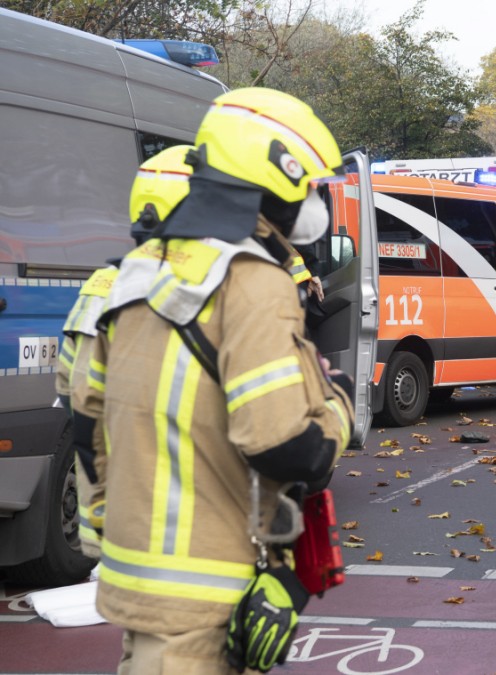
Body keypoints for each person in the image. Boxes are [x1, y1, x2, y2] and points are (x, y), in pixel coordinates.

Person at [72, 87, 355, 674]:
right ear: (273, 177)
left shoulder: (134, 272)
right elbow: (283, 447)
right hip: (206, 596)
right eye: (305, 185)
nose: (311, 201)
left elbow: (88, 423)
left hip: (140, 580)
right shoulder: (252, 280)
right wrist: (336, 407)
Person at [56, 145, 195, 560]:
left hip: (111, 517)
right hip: (179, 525)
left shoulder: (104, 281)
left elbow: (70, 390)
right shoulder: (194, 290)